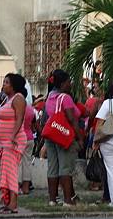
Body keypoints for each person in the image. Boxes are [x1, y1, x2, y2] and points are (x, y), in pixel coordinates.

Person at [44, 69, 84, 206]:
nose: (70, 84)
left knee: (52, 167)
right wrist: (80, 138)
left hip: (51, 134)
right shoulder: (65, 98)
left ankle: (52, 199)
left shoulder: (50, 96)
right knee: (65, 167)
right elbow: (72, 119)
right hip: (64, 134)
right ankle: (68, 199)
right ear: (62, 84)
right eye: (68, 82)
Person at [0, 73, 27, 214]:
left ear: (14, 85)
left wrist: (12, 135)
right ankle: (7, 201)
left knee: (11, 172)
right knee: (6, 173)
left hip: (13, 141)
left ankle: (13, 203)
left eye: (7, 82)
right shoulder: (6, 100)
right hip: (4, 142)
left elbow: (20, 119)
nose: (4, 84)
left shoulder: (18, 99)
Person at [19, 90, 37, 195]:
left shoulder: (16, 106)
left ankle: (16, 186)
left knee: (17, 163)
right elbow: (34, 122)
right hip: (29, 137)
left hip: (19, 137)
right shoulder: (30, 109)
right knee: (27, 163)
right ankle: (26, 187)